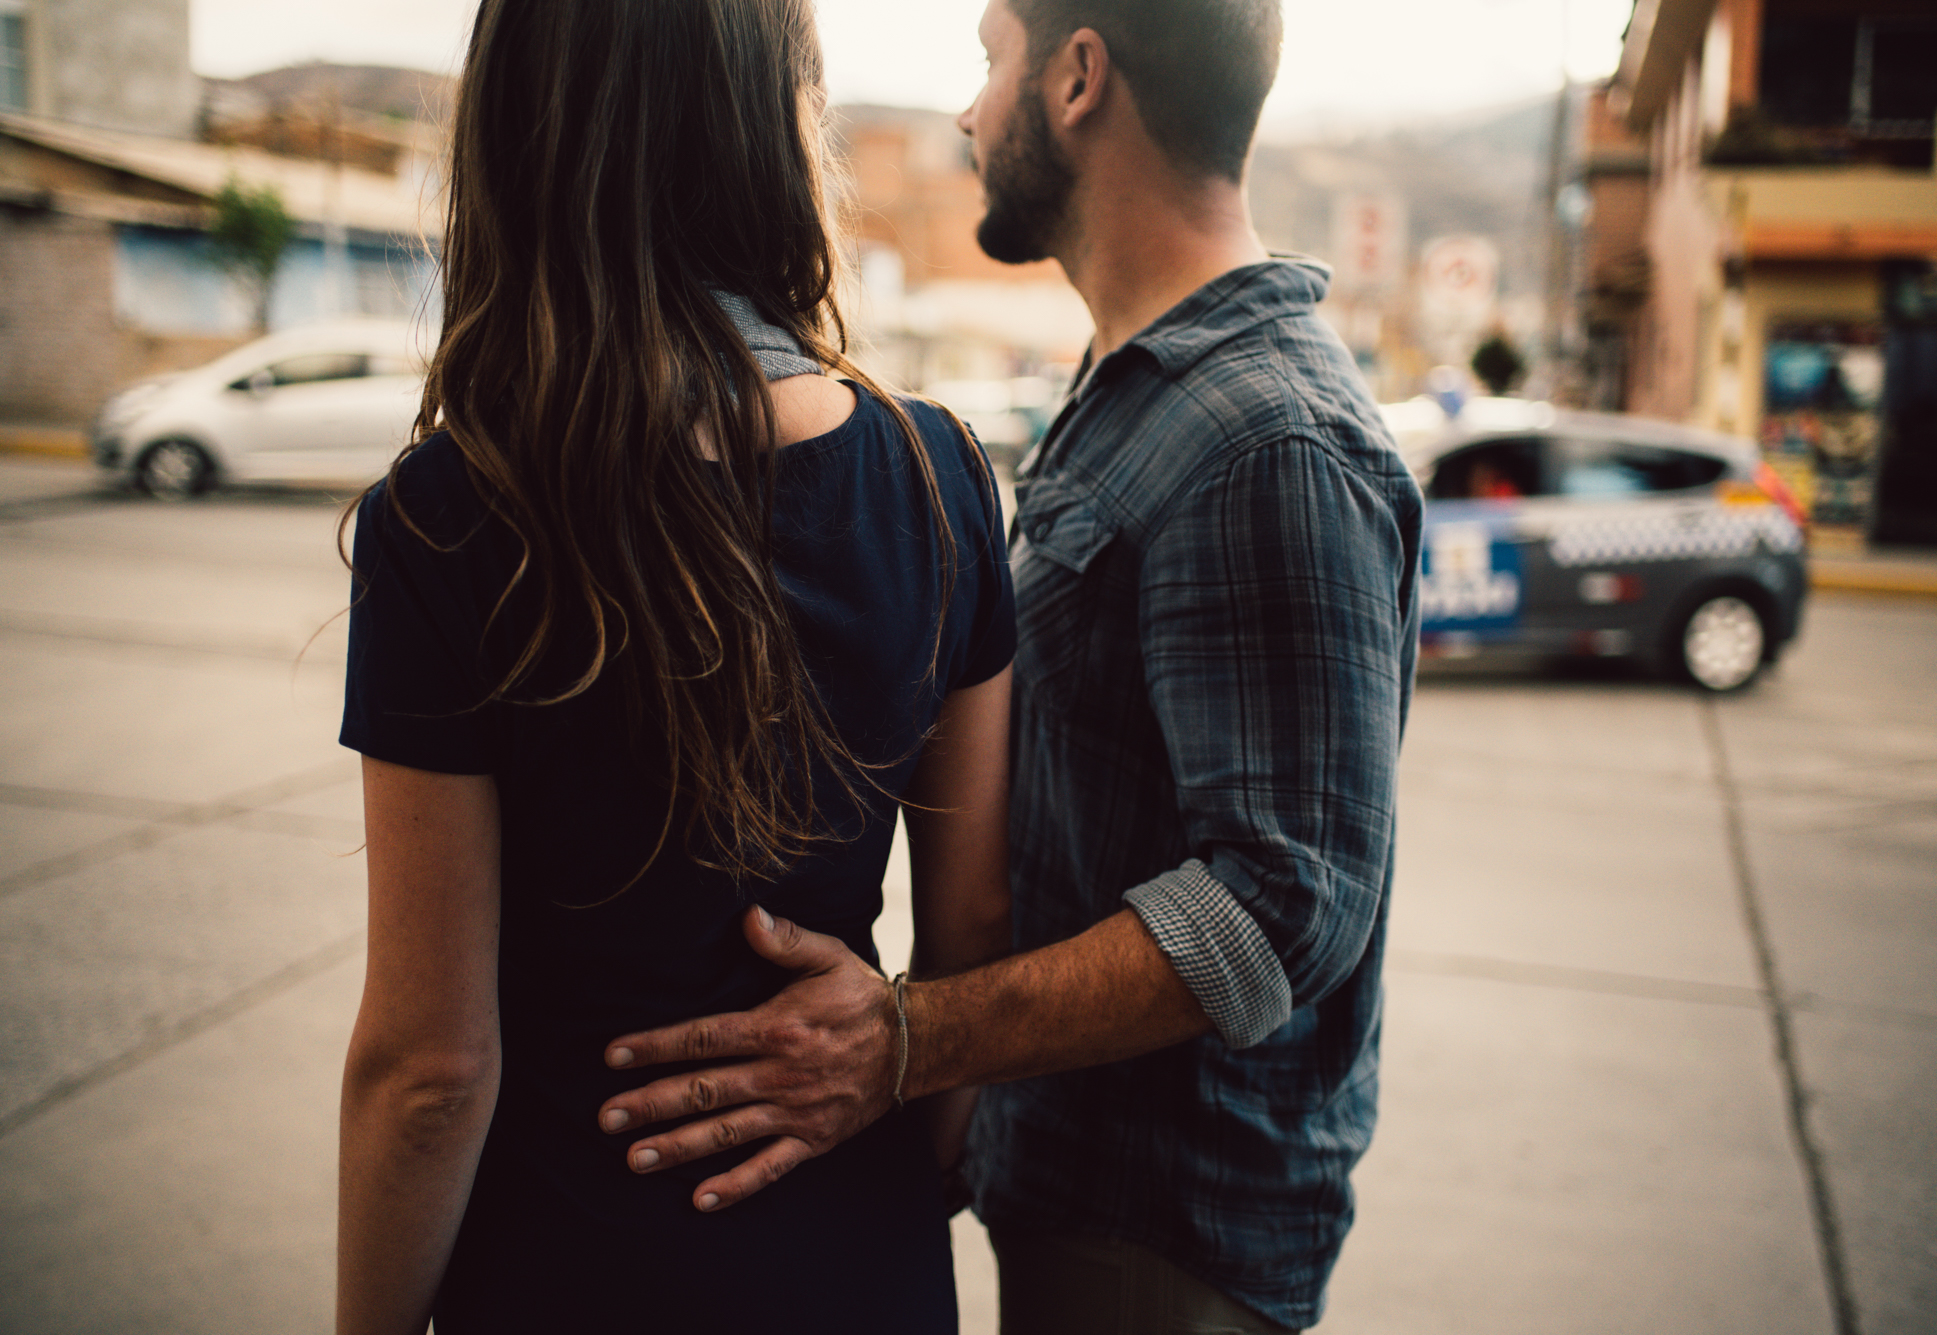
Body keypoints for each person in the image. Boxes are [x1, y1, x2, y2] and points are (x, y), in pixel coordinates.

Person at [594, 1, 1425, 1331]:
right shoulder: (1145, 388)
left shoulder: (1268, 438)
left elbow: (1286, 902)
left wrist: (911, 1039)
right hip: (1078, 1194)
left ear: (1079, 76)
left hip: (1167, 1237)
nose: (971, 114)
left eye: (991, 61)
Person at [333, 2, 1016, 1332]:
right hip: (856, 1255)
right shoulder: (938, 476)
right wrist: (900, 1168)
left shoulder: (453, 515)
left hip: (565, 1266)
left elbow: (430, 1068)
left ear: (523, 132)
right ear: (776, 129)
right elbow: (974, 932)